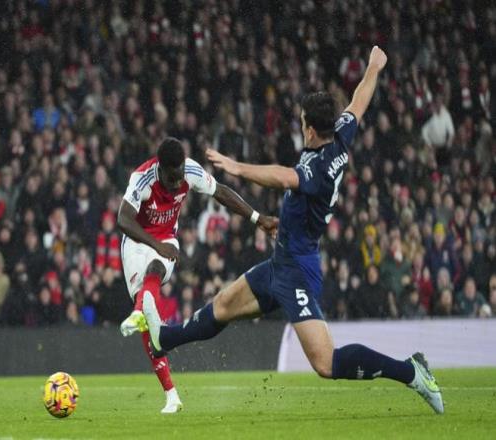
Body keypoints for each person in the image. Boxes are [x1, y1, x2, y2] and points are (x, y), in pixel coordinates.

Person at [138, 47, 444, 414]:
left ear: (310, 130)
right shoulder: (340, 136)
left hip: (298, 270)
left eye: (301, 122)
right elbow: (359, 102)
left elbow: (285, 177)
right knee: (223, 305)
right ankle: (164, 338)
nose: (300, 126)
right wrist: (373, 68)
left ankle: (411, 371)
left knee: (326, 363)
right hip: (281, 263)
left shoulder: (316, 169)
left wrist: (237, 167)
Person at [117, 136, 277, 414]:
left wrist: (257, 218)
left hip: (166, 240)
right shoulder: (142, 179)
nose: (177, 183)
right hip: (136, 242)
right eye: (172, 178)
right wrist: (156, 245)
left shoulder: (189, 170)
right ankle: (171, 395)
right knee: (148, 324)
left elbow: (221, 192)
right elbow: (123, 219)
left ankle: (140, 309)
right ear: (160, 169)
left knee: (155, 271)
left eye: (180, 176)